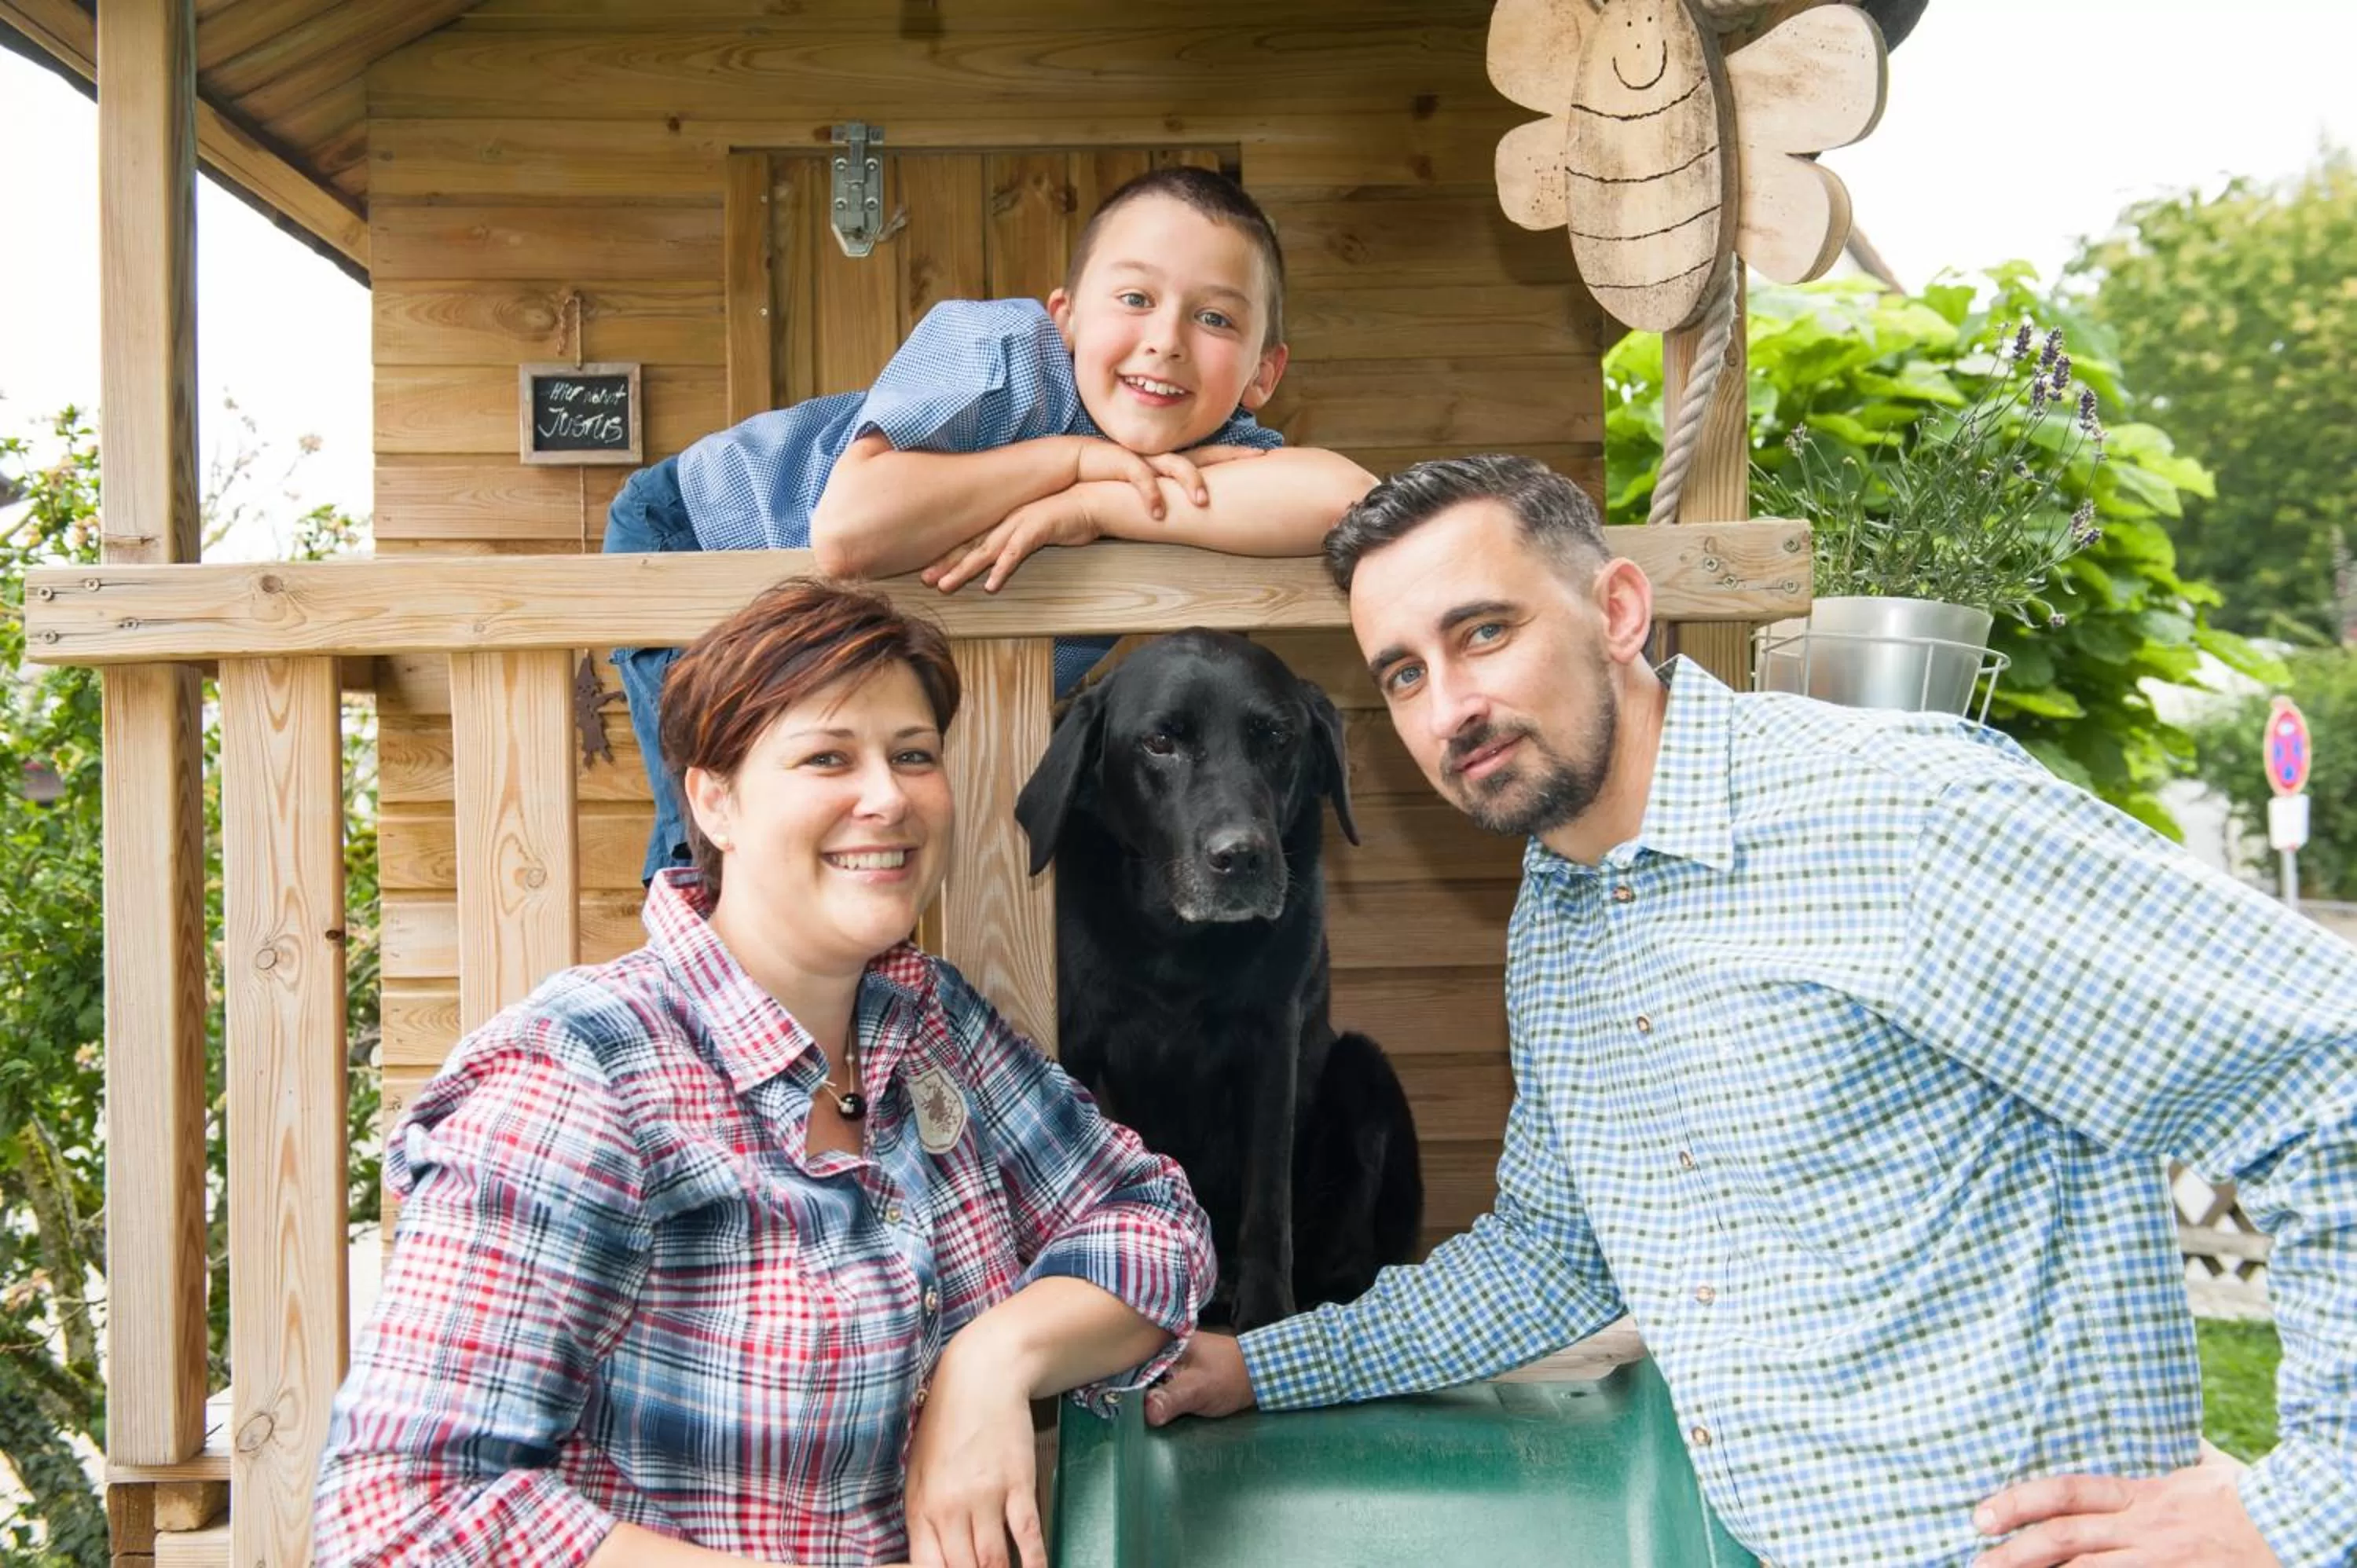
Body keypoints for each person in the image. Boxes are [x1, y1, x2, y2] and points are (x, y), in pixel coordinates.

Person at [1141, 454, 2357, 1568]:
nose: (1449, 706)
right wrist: (1258, 1366)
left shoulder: (1896, 813)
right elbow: (1550, 1262)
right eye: (1406, 673)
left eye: (1486, 633)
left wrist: (2302, 1509)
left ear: (1621, 612)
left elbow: (2330, 1068)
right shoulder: (1559, 925)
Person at [314, 580, 1215, 1568]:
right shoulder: (579, 1075)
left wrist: (994, 1357)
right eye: (829, 756)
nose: (888, 796)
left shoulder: (928, 1022)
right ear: (716, 800)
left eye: (913, 754)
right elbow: (399, 1519)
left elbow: (1155, 1222)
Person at [607, 164, 1376, 881]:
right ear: (1065, 317)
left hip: (862, 637)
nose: (1166, 341)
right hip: (707, 527)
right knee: (723, 823)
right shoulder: (999, 350)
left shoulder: (1219, 439)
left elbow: (1349, 500)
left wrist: (1094, 505)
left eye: (1214, 317)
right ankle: (687, 963)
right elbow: (847, 531)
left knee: (855, 825)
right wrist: (1073, 461)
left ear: (1262, 373)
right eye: (1135, 299)